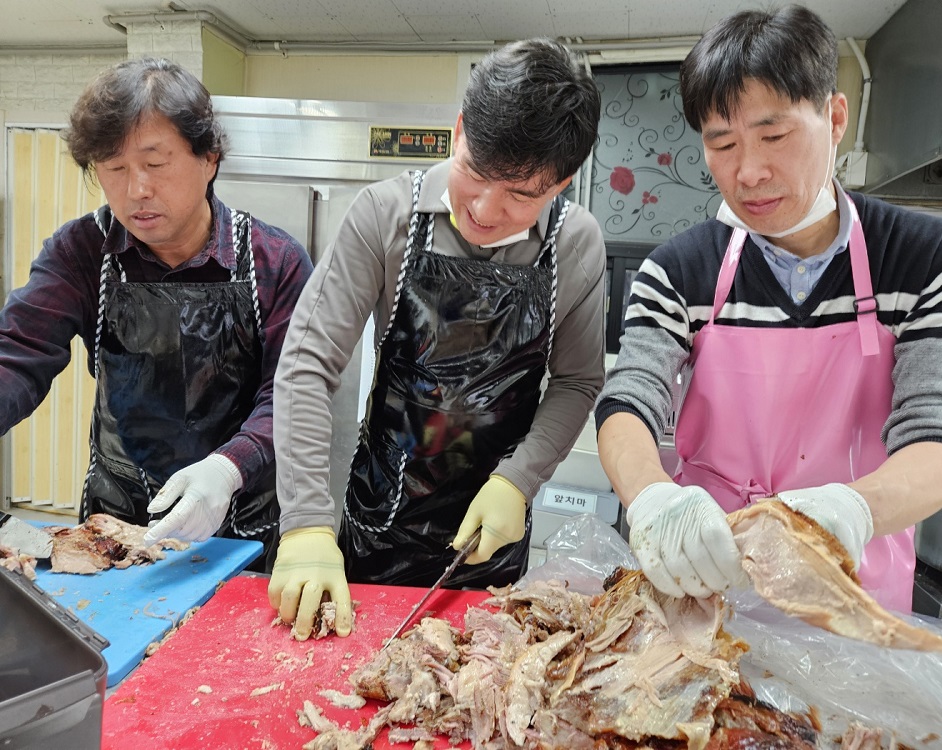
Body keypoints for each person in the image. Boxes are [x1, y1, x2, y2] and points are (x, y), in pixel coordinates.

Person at [596, 5, 942, 613]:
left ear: (835, 118)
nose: (749, 172)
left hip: (850, 590)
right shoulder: (676, 271)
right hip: (707, 582)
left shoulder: (936, 260)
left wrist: (853, 510)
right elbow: (630, 398)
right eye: (722, 144)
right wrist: (651, 496)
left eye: (774, 136)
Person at [269, 38, 606, 638]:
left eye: (521, 195)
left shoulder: (576, 246)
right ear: (459, 131)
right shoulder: (384, 215)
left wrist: (519, 480)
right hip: (381, 517)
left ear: (562, 184)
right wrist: (305, 523)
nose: (485, 209)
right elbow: (307, 363)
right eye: (475, 171)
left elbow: (578, 382)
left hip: (492, 533)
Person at [0, 58, 313, 571]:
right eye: (114, 168)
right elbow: (18, 353)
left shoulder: (274, 261)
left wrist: (228, 469)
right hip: (117, 525)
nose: (136, 190)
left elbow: (294, 393)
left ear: (208, 158)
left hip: (241, 522)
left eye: (156, 164)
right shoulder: (81, 251)